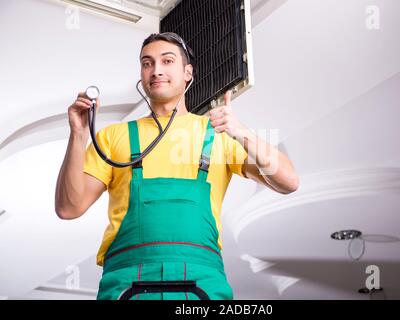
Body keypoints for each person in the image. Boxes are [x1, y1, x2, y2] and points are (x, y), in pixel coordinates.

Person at [55, 32, 299, 300]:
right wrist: (78, 135)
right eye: (147, 63)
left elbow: (289, 181)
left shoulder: (219, 132)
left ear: (187, 72)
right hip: (126, 279)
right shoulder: (113, 136)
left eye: (167, 61)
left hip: (202, 280)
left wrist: (241, 131)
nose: (156, 70)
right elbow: (69, 208)